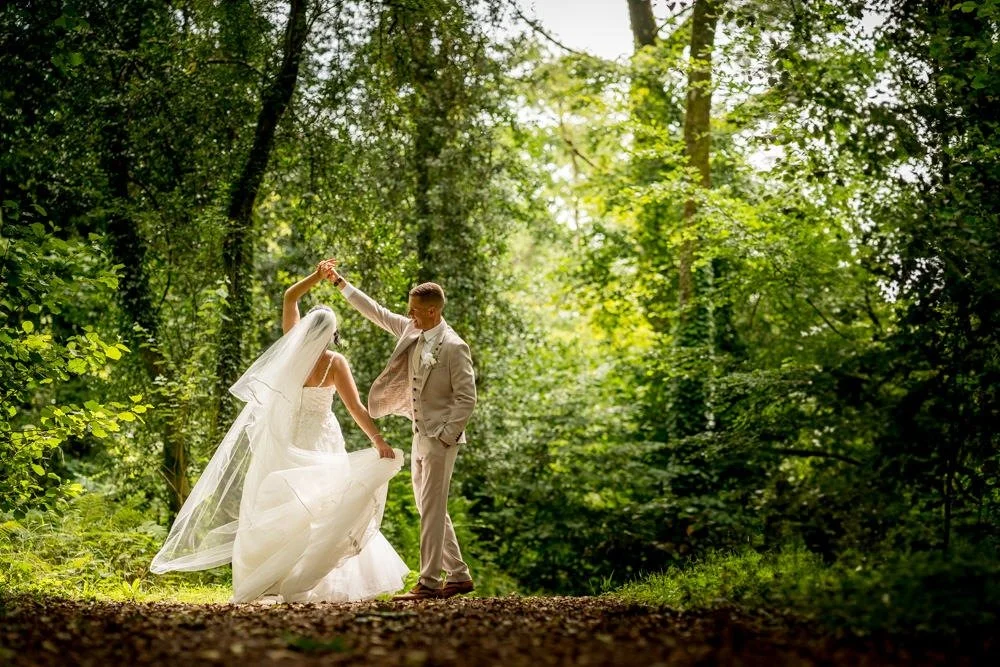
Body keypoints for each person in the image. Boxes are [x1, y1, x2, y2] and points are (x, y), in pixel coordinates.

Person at [150, 260, 408, 603]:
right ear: (332, 333)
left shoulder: (291, 351)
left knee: (285, 508)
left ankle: (275, 576)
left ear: (305, 330)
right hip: (322, 441)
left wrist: (315, 277)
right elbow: (356, 408)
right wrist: (377, 440)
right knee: (327, 508)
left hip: (286, 440)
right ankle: (316, 581)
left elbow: (289, 298)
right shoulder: (335, 363)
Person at [326, 258, 477, 600]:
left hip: (441, 438)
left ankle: (428, 583)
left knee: (434, 508)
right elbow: (376, 312)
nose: (408, 314)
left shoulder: (454, 347)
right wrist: (340, 283)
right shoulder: (412, 330)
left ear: (433, 312)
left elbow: (467, 398)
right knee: (428, 508)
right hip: (418, 434)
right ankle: (459, 575)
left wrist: (445, 434)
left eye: (414, 310)